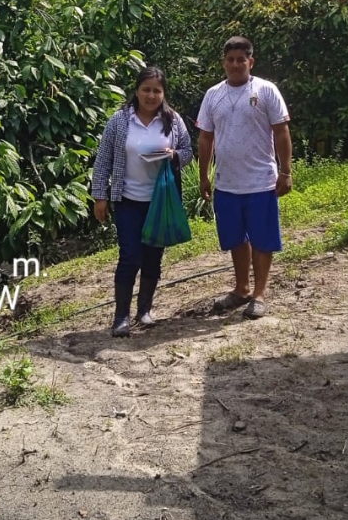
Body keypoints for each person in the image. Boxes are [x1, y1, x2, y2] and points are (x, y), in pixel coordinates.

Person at [91, 67, 193, 337]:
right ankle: (121, 317)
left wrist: (173, 155)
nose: (151, 95)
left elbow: (187, 152)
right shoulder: (119, 121)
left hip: (160, 201)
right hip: (128, 200)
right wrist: (100, 196)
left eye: (157, 91)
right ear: (136, 90)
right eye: (146, 89)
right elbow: (103, 160)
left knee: (152, 256)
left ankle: (144, 310)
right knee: (130, 256)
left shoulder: (173, 120)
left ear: (164, 93)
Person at [196, 36, 292, 320]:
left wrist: (285, 171)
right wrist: (204, 176)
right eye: (230, 60)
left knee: (262, 239)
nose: (236, 65)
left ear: (251, 61)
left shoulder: (266, 90)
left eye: (241, 60)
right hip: (226, 183)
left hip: (261, 181)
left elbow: (282, 132)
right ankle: (241, 289)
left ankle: (259, 294)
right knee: (236, 238)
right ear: (223, 63)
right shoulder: (213, 95)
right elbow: (205, 137)